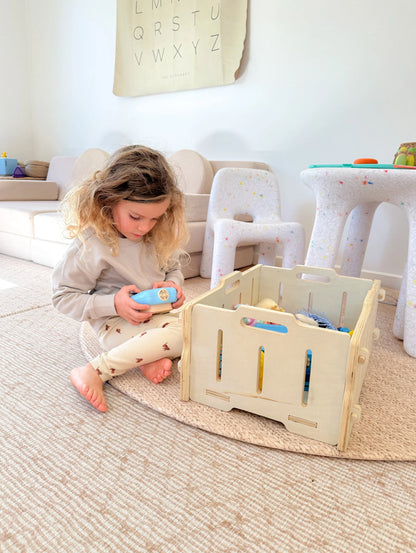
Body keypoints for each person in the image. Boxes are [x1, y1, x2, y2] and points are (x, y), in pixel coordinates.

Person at [52, 145, 189, 412]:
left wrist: (174, 285)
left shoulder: (156, 233)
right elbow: (62, 297)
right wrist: (114, 304)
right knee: (185, 334)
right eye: (135, 217)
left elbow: (174, 267)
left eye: (155, 218)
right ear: (108, 200)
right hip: (113, 324)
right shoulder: (92, 244)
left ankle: (145, 357)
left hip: (157, 315)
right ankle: (93, 370)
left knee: (203, 325)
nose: (144, 227)